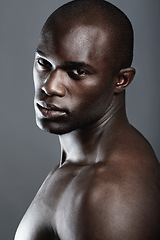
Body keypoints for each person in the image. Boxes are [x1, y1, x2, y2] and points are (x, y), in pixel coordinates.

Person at [14, 0, 160, 239]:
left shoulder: (108, 192)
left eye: (78, 72)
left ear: (121, 80)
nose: (50, 86)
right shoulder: (80, 163)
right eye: (43, 63)